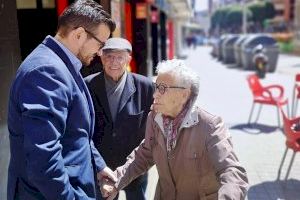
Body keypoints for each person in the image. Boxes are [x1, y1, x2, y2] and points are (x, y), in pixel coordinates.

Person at [7, 1, 117, 199]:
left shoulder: (62, 64)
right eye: (101, 44)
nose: (101, 52)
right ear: (79, 34)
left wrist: (98, 165)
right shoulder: (46, 71)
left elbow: (76, 131)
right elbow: (44, 158)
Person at [103, 59, 249, 200]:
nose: (155, 95)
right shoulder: (154, 118)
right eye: (156, 87)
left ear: (184, 94)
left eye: (162, 89)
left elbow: (232, 172)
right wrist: (115, 182)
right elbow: (144, 154)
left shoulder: (210, 125)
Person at [84, 37, 155, 200]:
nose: (114, 62)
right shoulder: (88, 86)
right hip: (102, 167)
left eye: (119, 57)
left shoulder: (146, 87)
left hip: (135, 167)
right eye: (109, 56)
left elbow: (155, 125)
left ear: (128, 59)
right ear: (101, 57)